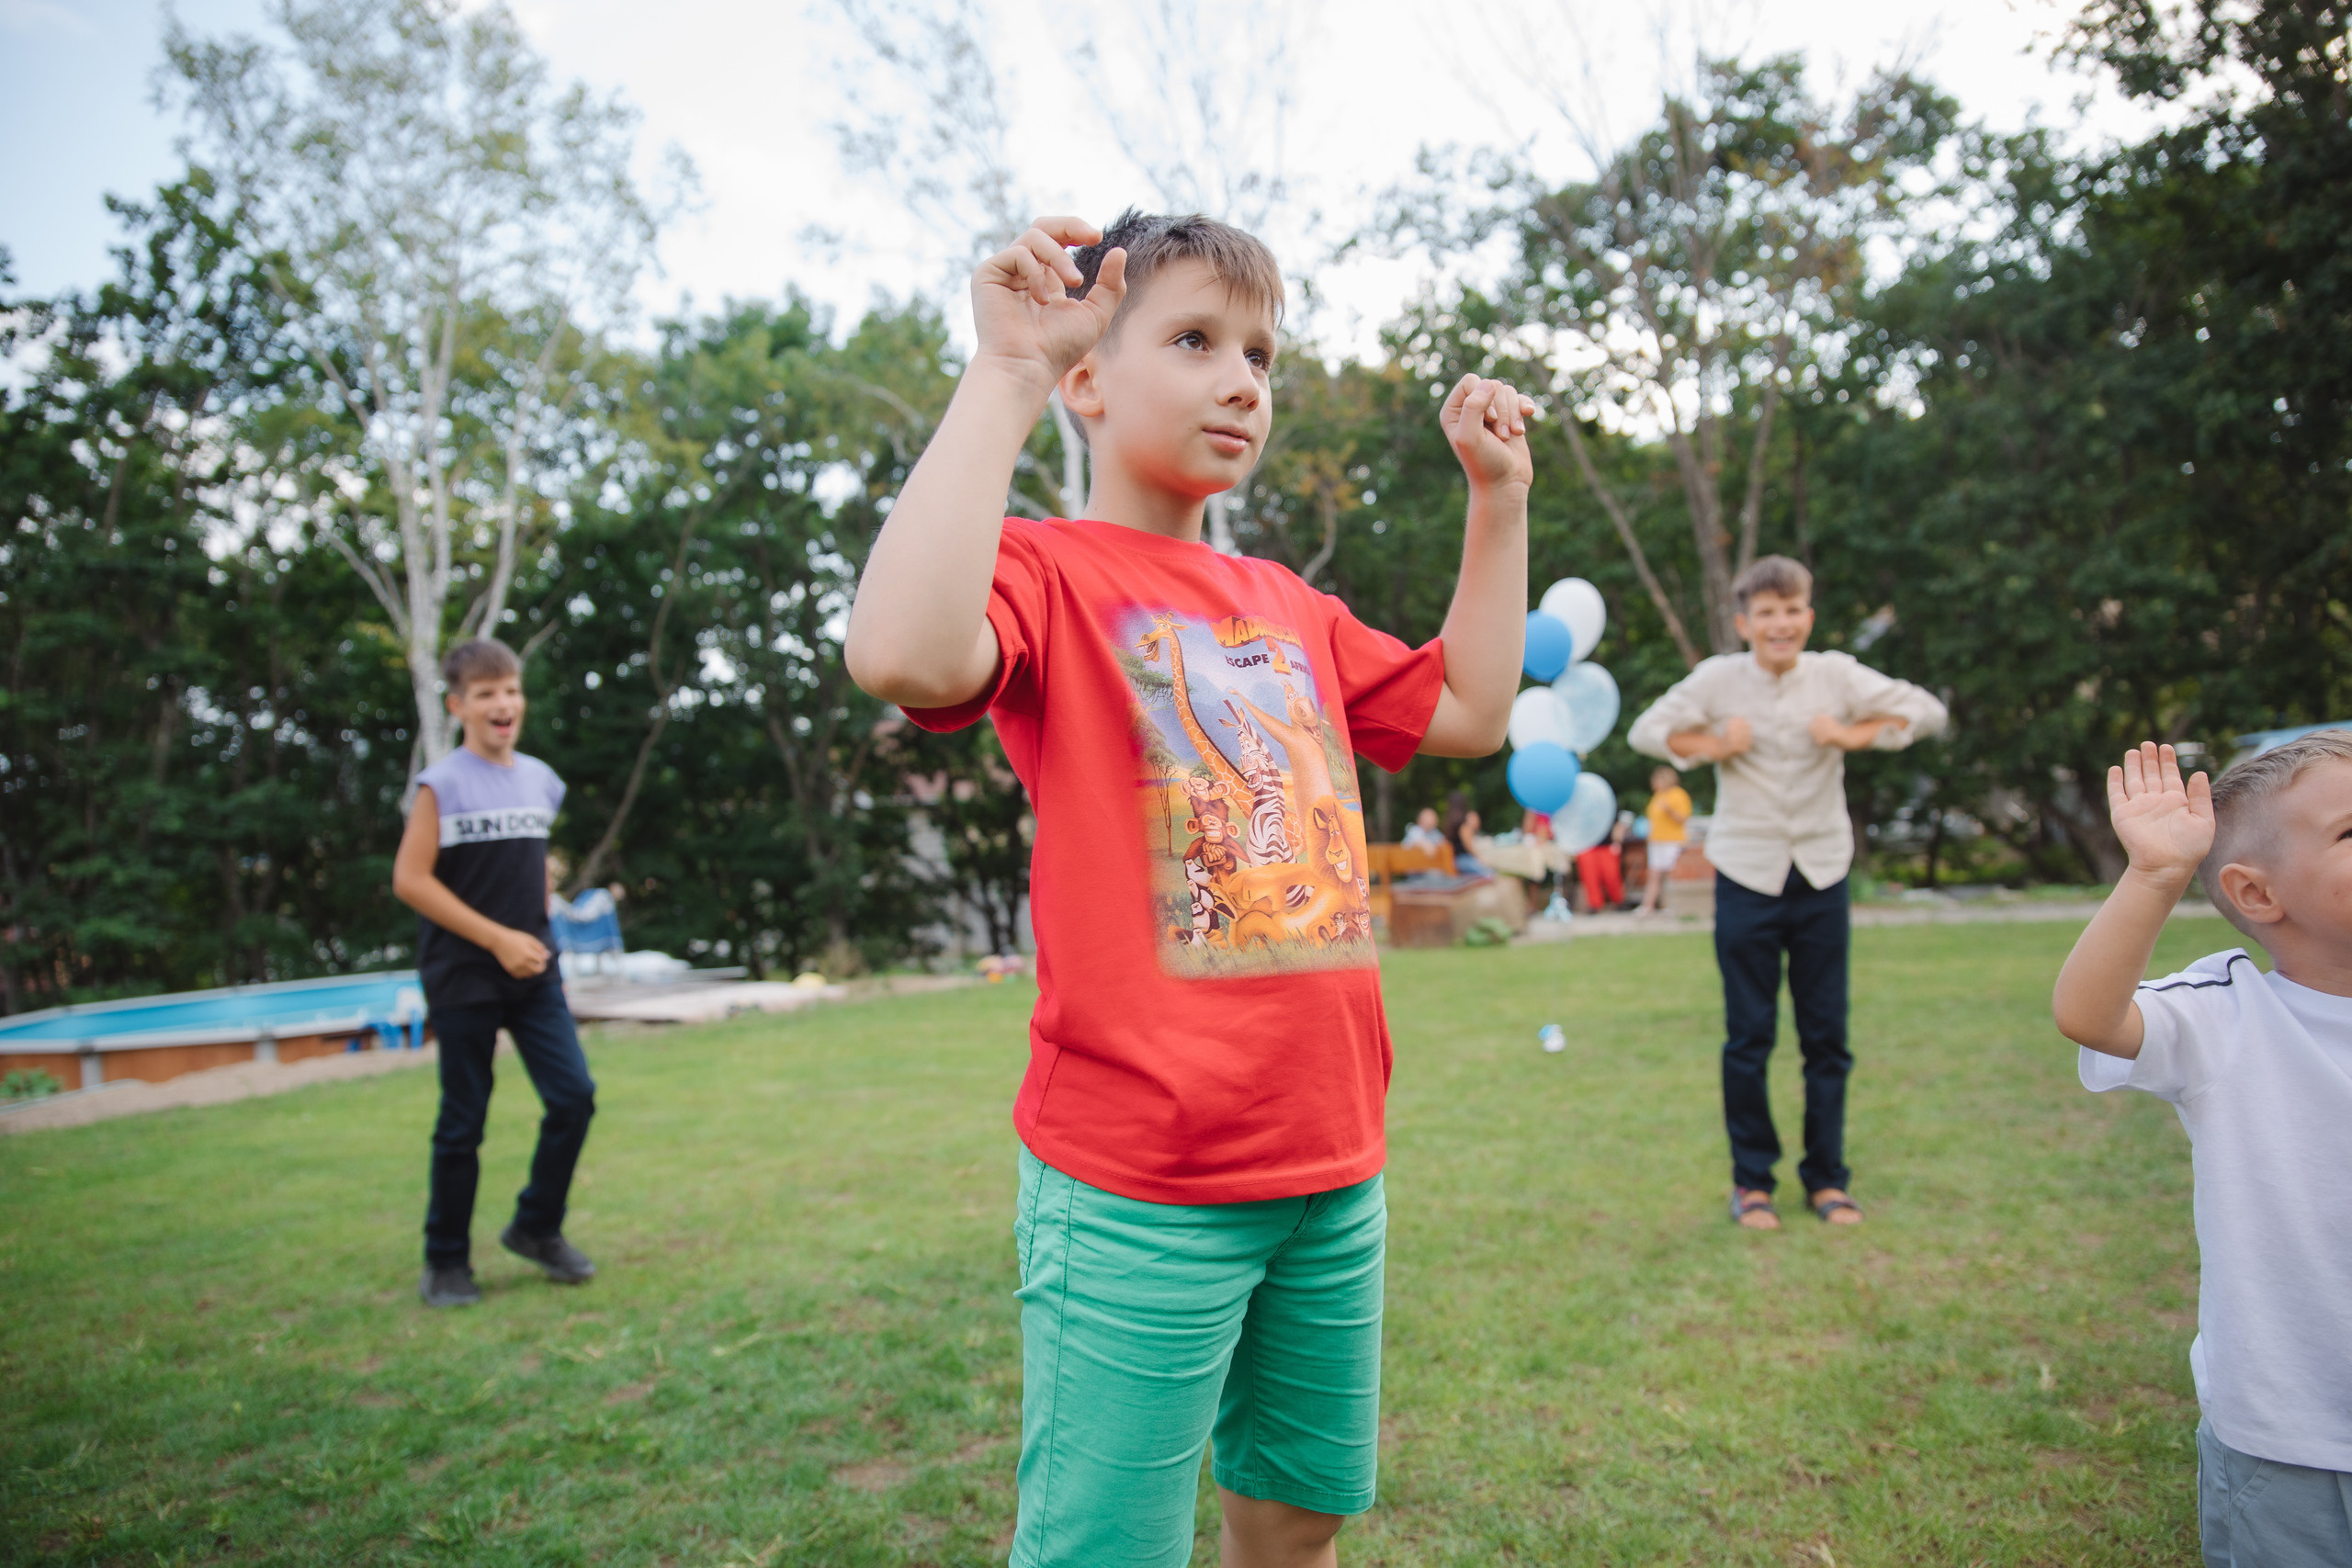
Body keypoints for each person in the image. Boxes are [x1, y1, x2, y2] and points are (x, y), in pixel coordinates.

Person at [843, 210, 1531, 1568]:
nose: (1243, 380)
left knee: (1295, 1516)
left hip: (1332, 1161)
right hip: (1140, 1178)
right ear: (1091, 376)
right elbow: (904, 651)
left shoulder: (1288, 601)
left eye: (1262, 353)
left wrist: (1498, 500)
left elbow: (1469, 705)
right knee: (1107, 1548)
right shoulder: (1049, 569)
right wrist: (1006, 370)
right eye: (1197, 340)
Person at [2052, 736, 2352, 1564]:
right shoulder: (2229, 1014)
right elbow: (2091, 1014)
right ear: (2257, 893)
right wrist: (2153, 875)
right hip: (2288, 1440)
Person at [1627, 556, 1946, 1231]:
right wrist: (1716, 743)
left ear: (1809, 615)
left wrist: (1851, 733)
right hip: (1746, 874)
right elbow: (1646, 730)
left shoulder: (1835, 674)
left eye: (1793, 609)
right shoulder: (1718, 679)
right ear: (1745, 622)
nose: (1781, 623)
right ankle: (1753, 1183)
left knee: (1826, 1036)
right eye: (1766, 612)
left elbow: (1926, 711)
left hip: (1822, 874)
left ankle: (1828, 1179)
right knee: (1749, 1036)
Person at [391, 638, 598, 1308]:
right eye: (485, 694)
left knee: (573, 1097)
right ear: (458, 706)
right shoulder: (441, 784)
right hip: (464, 974)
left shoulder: (542, 778)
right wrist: (497, 938)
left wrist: (540, 941)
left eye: (510, 689)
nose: (502, 703)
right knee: (464, 1121)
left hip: (535, 970)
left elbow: (534, 868)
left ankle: (536, 1226)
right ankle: (445, 1262)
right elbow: (410, 880)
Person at [1636, 765, 1691, 915]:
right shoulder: (1658, 796)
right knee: (1654, 874)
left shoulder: (1678, 795)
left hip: (1672, 840)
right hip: (1656, 840)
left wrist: (1669, 811)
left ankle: (1672, 905)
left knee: (1671, 874)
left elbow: (1682, 819)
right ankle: (1648, 906)